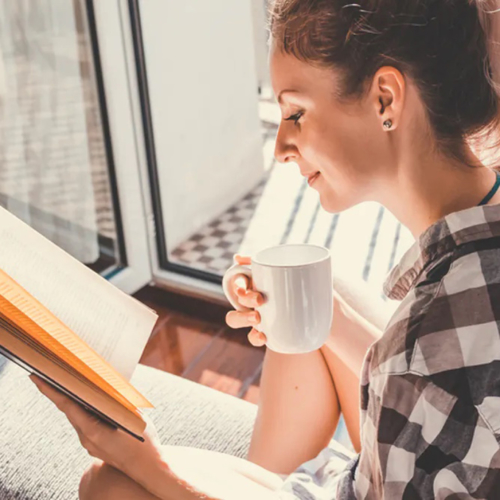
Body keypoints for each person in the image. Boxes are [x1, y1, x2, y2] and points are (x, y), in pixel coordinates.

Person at [30, 0, 500, 497]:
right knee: (322, 293)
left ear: (385, 99)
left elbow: (425, 369)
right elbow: (437, 390)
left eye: (295, 113)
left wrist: (149, 468)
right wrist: (320, 312)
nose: (279, 146)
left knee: (107, 486)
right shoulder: (466, 269)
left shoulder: (426, 337)